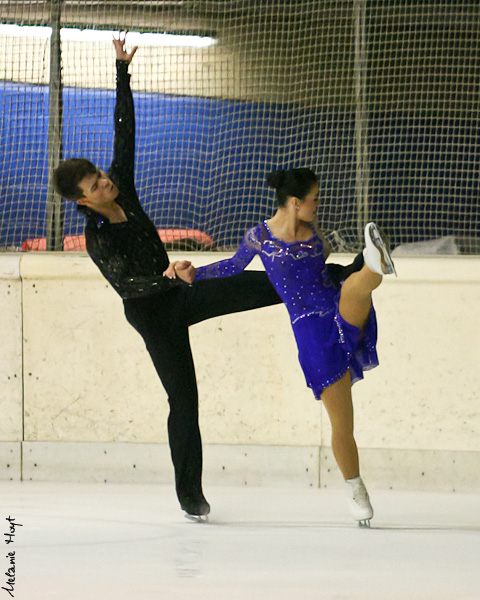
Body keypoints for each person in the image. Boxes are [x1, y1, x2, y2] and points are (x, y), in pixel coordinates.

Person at [53, 34, 364, 520]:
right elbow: (126, 285)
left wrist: (121, 73)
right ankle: (189, 496)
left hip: (183, 287)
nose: (106, 182)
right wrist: (169, 277)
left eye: (102, 175)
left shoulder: (124, 190)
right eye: (96, 185)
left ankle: (345, 271)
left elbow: (124, 134)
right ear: (83, 201)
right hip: (153, 312)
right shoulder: (98, 238)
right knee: (184, 399)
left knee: (272, 283)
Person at [168, 168, 396, 526]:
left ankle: (374, 261)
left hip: (336, 305)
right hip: (311, 334)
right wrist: (195, 274)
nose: (317, 206)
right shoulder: (260, 237)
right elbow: (232, 266)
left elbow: (322, 274)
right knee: (342, 423)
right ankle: (356, 489)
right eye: (314, 200)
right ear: (294, 202)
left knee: (357, 287)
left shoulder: (315, 235)